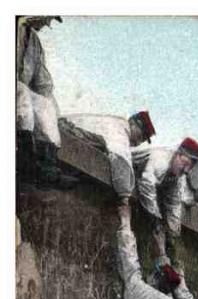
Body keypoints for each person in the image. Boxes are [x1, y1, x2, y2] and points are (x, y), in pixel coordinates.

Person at [16, 16, 75, 188]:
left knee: (45, 105)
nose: (48, 24)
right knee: (22, 92)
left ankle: (48, 168)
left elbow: (44, 85)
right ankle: (24, 159)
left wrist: (58, 117)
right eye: (48, 17)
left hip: (19, 94)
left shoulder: (34, 41)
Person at [132, 137, 198, 266]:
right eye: (185, 164)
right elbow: (146, 185)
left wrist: (173, 234)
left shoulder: (176, 176)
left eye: (190, 167)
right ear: (177, 154)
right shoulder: (161, 160)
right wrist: (156, 222)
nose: (186, 170)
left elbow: (173, 204)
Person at [60, 110, 155, 197]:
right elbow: (121, 162)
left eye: (143, 139)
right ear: (133, 123)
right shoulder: (120, 131)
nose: (139, 142)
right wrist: (124, 199)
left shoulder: (117, 123)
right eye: (141, 135)